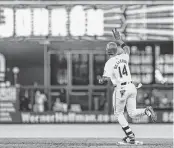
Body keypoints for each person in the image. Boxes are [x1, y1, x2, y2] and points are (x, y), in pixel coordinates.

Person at [98, 28, 157, 144]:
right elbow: (127, 48)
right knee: (132, 113)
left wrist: (101, 80)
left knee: (118, 113)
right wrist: (119, 39)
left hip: (121, 89)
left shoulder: (109, 63)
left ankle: (130, 135)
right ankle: (146, 111)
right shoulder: (123, 57)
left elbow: (105, 79)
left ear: (107, 51)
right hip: (131, 87)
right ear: (115, 50)